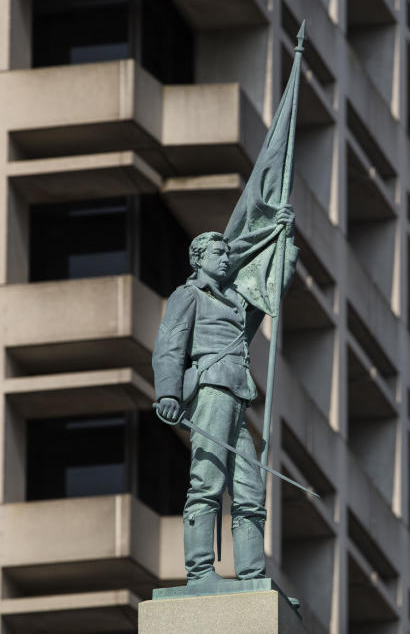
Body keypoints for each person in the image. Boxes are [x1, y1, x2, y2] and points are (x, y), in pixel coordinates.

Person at [152, 207, 297, 585]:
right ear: (198, 259)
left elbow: (271, 292)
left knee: (250, 489)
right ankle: (200, 571)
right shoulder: (189, 295)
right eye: (219, 254)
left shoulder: (235, 301)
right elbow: (169, 345)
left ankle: (251, 575)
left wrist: (284, 240)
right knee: (208, 481)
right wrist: (168, 393)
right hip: (211, 390)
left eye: (228, 254)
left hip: (236, 395)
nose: (227, 259)